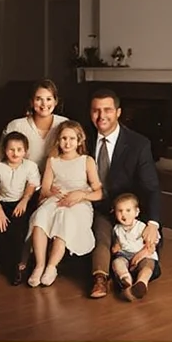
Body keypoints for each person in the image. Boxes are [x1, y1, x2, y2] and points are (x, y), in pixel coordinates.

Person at [0, 79, 63, 289]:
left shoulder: (62, 125)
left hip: (43, 190)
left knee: (21, 224)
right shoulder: (16, 125)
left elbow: (72, 157)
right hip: (10, 189)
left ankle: (16, 265)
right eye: (39, 99)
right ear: (31, 102)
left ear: (56, 102)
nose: (43, 104)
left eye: (49, 99)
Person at [86, 89, 160, 300]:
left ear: (118, 112)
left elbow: (151, 187)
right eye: (96, 111)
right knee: (101, 239)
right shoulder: (82, 140)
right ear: (90, 113)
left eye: (107, 110)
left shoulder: (138, 144)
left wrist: (153, 223)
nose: (102, 116)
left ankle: (135, 281)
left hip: (128, 211)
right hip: (96, 207)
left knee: (145, 253)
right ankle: (100, 279)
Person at [28, 120, 101, 287]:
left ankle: (52, 266)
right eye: (63, 138)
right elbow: (44, 189)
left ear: (79, 140)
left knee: (65, 217)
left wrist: (82, 194)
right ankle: (39, 265)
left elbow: (99, 191)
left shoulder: (86, 160)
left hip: (79, 201)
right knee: (41, 215)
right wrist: (52, 192)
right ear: (58, 140)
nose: (67, 143)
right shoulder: (53, 161)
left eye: (71, 138)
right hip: (57, 198)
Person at [0, 129, 40, 292]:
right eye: (11, 149)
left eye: (19, 150)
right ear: (5, 150)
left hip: (19, 202)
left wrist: (24, 200)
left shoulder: (30, 166)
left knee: (18, 231)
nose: (15, 153)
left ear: (25, 151)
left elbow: (32, 184)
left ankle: (14, 267)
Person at [106, 190, 157, 300]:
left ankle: (141, 283)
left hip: (142, 255)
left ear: (137, 212)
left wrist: (140, 255)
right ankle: (126, 280)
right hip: (125, 256)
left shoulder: (141, 227)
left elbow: (151, 247)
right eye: (120, 211)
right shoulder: (117, 229)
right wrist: (115, 248)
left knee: (148, 264)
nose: (123, 214)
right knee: (117, 262)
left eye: (128, 210)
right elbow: (116, 245)